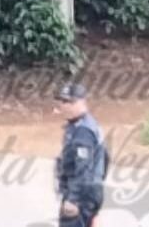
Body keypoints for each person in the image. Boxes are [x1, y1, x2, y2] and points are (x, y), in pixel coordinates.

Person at [54, 83, 108, 227]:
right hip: (89, 191)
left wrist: (73, 199)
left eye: (69, 102)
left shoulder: (83, 130)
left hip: (81, 193)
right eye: (62, 101)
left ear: (81, 102)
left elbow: (83, 168)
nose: (63, 105)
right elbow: (105, 157)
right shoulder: (85, 125)